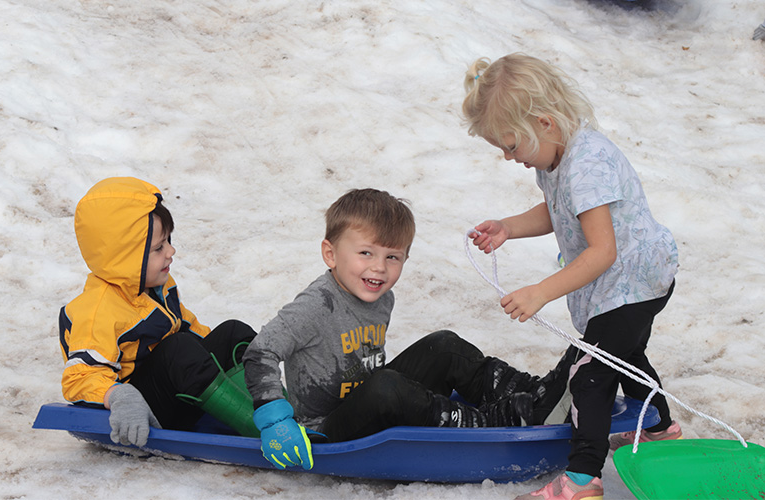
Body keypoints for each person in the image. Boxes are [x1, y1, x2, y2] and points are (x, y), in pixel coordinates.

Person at [462, 53, 682, 500]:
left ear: (543, 123)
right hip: (632, 278)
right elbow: (557, 210)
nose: (508, 157)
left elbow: (603, 250)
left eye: (511, 145)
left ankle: (582, 480)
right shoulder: (558, 157)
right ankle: (660, 426)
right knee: (626, 357)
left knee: (590, 375)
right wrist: (509, 227)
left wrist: (541, 292)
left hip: (631, 283)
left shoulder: (586, 164)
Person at [243, 188, 575, 471]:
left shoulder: (380, 297)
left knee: (444, 345)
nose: (379, 267)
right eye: (365, 253)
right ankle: (493, 421)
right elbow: (261, 351)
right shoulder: (317, 305)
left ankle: (534, 396)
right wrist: (274, 419)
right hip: (328, 430)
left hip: (372, 402)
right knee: (387, 386)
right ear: (330, 254)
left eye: (393, 257)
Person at [59, 177, 257, 448]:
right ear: (124, 257)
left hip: (180, 391)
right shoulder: (98, 311)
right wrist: (119, 396)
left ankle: (279, 411)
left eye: (168, 242)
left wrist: (216, 361)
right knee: (178, 348)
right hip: (143, 412)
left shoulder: (157, 286)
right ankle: (260, 429)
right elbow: (80, 377)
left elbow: (190, 329)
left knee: (235, 333)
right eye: (158, 248)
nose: (171, 251)